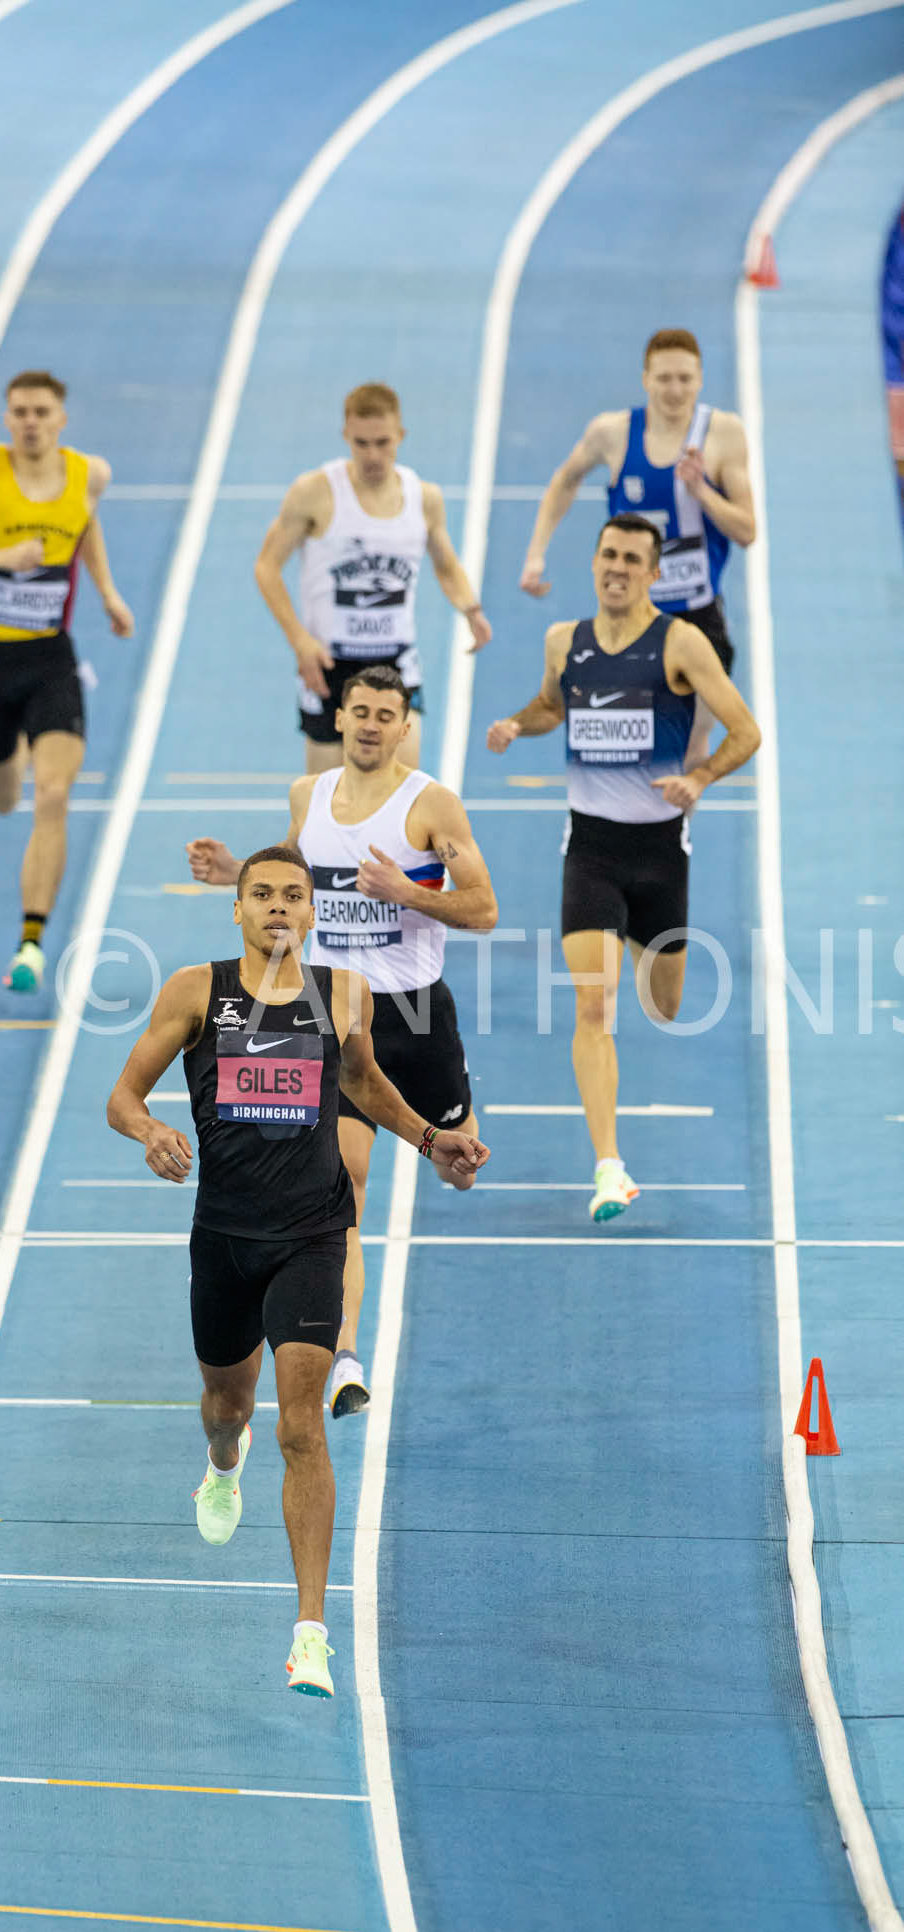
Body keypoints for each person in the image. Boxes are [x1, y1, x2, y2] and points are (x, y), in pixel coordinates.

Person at [107, 846, 489, 1697]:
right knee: (227, 1408)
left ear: (313, 913)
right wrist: (152, 1133)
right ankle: (220, 1463)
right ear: (235, 911)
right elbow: (121, 1097)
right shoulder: (193, 992)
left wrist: (430, 1140)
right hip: (225, 1239)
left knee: (301, 1427)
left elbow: (366, 1084)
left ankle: (309, 1631)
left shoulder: (341, 993)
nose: (278, 907)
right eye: (262, 896)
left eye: (292, 895)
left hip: (314, 1235)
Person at [186, 664, 497, 1419]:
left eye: (383, 714)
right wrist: (237, 875)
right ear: (339, 717)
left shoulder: (430, 804)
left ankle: (448, 1135)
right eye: (357, 710)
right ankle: (345, 1352)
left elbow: (483, 908)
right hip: (332, 1012)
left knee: (460, 1172)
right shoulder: (309, 795)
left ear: (401, 726)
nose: (367, 723)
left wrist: (408, 893)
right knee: (345, 1183)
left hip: (415, 1013)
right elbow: (292, 879)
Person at [488, 514, 760, 1222]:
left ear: (652, 572)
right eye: (607, 554)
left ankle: (639, 941)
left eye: (631, 559)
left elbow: (747, 730)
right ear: (595, 560)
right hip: (592, 851)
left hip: (659, 853)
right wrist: (519, 724)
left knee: (663, 1004)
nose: (615, 567)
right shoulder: (563, 642)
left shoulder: (680, 643)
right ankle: (609, 1167)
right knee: (592, 1003)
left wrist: (697, 780)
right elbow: (553, 705)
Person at [0, 369, 133, 991]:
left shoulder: (89, 474)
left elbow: (84, 524)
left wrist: (108, 595)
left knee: (53, 795)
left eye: (41, 411)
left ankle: (31, 943)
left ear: (61, 418)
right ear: (7, 419)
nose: (31, 422)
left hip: (51, 661)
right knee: (5, 797)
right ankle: (12, 743)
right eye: (19, 412)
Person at [519, 328, 755, 758]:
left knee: (687, 743)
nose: (674, 390)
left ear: (700, 380)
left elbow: (747, 530)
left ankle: (675, 824)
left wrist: (702, 492)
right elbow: (564, 481)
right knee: (633, 744)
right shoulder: (613, 433)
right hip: (629, 620)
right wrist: (536, 554)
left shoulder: (723, 435)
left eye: (685, 379)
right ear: (646, 379)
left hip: (699, 618)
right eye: (664, 379)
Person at [254, 382, 491, 774]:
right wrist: (299, 640)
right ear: (346, 435)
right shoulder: (315, 492)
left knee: (401, 795)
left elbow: (446, 564)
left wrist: (472, 610)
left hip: (395, 661)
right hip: (330, 666)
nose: (372, 455)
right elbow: (266, 566)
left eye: (383, 442)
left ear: (401, 436)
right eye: (361, 443)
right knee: (326, 806)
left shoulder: (423, 497)